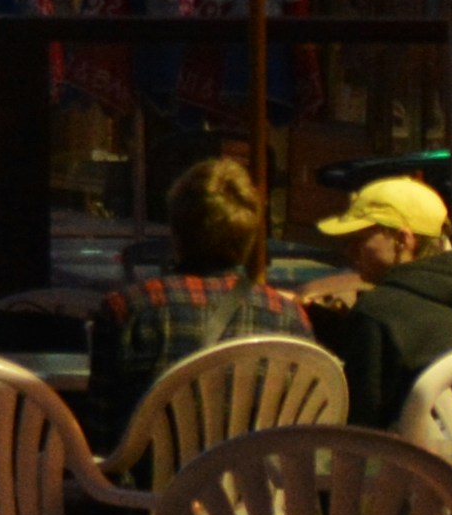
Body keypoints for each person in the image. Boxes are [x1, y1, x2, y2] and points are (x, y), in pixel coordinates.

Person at [79, 152, 302, 451]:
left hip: (152, 494)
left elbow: (101, 434)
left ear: (177, 232)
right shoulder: (289, 318)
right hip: (257, 493)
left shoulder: (129, 309)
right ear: (250, 236)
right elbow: (300, 434)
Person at [303, 176, 452, 430]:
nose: (349, 251)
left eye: (360, 239)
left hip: (409, 461)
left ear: (403, 239)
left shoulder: (378, 312)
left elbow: (360, 430)